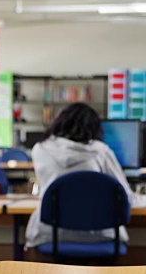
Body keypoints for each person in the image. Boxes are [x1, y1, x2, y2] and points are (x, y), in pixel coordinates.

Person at [25, 102, 146, 250]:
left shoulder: (40, 149)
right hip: (100, 235)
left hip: (51, 234)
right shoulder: (101, 151)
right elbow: (125, 197)